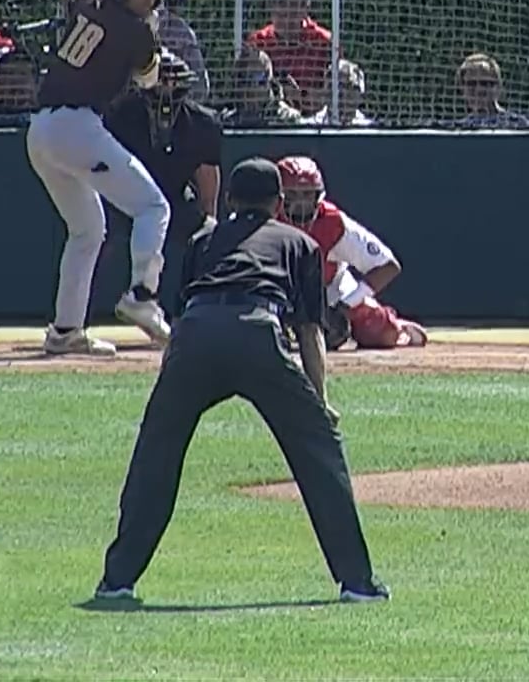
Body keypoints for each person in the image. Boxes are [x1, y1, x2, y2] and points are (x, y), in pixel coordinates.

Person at [92, 157, 389, 608]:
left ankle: (117, 580)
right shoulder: (299, 242)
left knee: (156, 454)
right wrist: (320, 402)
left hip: (194, 338)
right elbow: (309, 331)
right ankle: (357, 583)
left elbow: (182, 318)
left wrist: (168, 391)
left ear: (230, 199)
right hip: (257, 334)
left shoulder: (202, 240)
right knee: (318, 451)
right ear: (278, 203)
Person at [24, 0, 175, 357]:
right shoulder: (137, 31)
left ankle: (66, 330)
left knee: (87, 230)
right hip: (76, 127)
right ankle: (143, 295)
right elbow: (148, 80)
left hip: (40, 133)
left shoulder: (87, 5)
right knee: (153, 207)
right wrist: (152, 40)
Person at [103, 51, 224, 319]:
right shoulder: (121, 114)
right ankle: (109, 304)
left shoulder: (202, 122)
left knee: (209, 234)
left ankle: (199, 307)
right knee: (96, 230)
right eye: (160, 80)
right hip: (126, 197)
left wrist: (209, 219)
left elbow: (207, 178)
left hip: (175, 197)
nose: (166, 88)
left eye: (172, 81)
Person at [273, 155, 428, 351]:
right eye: (292, 194)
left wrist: (345, 307)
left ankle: (396, 327)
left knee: (380, 333)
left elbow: (388, 266)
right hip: (274, 292)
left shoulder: (333, 223)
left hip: (329, 290)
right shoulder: (262, 218)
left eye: (307, 194)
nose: (300, 203)